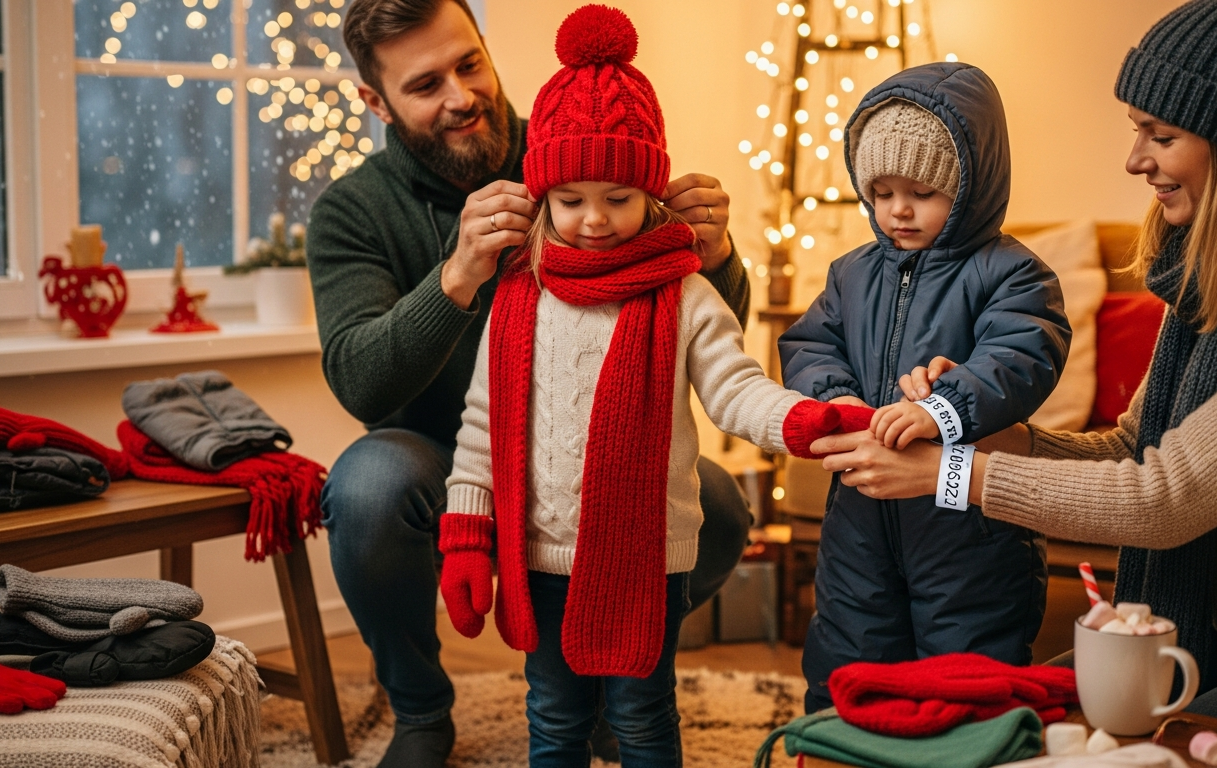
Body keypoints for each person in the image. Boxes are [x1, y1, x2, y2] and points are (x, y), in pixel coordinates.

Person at [812, 0, 1217, 733]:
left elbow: (1161, 499)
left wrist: (951, 476)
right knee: (996, 714)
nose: (1135, 160)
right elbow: (1127, 449)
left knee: (1135, 744)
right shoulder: (1202, 289)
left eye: (1160, 136)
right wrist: (982, 437)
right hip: (1208, 634)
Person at [308, 0, 754, 764]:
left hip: (593, 459)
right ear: (375, 101)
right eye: (425, 84)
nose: (460, 95)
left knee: (716, 499)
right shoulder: (352, 211)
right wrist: (455, 276)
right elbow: (360, 381)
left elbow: (706, 342)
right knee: (366, 485)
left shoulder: (584, 136)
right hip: (444, 454)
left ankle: (613, 673)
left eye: (469, 63)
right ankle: (421, 712)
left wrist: (714, 258)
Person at [432, 8, 857, 764]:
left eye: (618, 198)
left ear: (653, 194)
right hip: (537, 555)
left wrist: (804, 419)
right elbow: (482, 425)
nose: (594, 220)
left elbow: (735, 388)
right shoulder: (521, 293)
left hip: (649, 557)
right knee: (554, 717)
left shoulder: (683, 291)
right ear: (542, 197)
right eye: (571, 200)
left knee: (644, 715)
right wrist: (469, 535)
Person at [777, 62, 1072, 713]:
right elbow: (809, 343)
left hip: (969, 526)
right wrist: (838, 401)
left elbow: (1022, 353)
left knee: (967, 666)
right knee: (848, 652)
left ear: (968, 187)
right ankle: (844, 748)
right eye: (880, 191)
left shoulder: (1012, 274)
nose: (897, 209)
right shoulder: (850, 273)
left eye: (921, 191)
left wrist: (944, 407)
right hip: (859, 510)